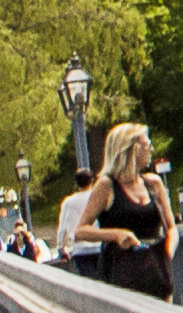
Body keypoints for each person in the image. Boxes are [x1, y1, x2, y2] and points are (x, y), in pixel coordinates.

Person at [75, 122, 175, 299]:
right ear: (132, 149)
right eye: (147, 145)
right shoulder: (107, 186)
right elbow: (81, 230)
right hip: (121, 277)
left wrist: (167, 251)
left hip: (157, 273)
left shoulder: (154, 183)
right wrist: (116, 235)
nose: (151, 149)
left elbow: (172, 228)